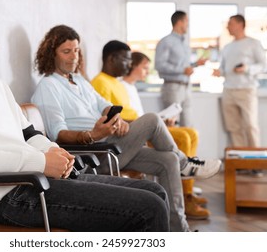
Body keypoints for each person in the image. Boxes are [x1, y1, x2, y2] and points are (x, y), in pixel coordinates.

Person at [0, 0, 171, 232]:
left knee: (155, 192)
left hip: (36, 180)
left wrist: (54, 152)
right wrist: (41, 161)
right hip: (11, 196)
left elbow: (29, 134)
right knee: (149, 208)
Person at [31, 25, 222, 231]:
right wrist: (93, 135)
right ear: (51, 54)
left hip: (112, 145)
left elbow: (105, 105)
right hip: (93, 156)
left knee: (168, 160)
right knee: (151, 120)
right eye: (66, 52)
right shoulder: (48, 87)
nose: (73, 57)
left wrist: (116, 118)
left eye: (76, 50)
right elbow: (57, 134)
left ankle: (179, 230)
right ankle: (187, 165)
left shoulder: (78, 81)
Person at [120, 51, 210, 220]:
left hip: (140, 126)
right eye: (145, 68)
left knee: (191, 132)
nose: (147, 71)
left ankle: (187, 191)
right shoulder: (121, 86)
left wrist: (162, 120)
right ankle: (186, 178)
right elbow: (126, 119)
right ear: (133, 66)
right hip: (132, 132)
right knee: (183, 137)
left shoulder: (131, 87)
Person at [213, 14, 267, 177]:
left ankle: (257, 164)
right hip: (228, 90)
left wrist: (247, 68)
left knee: (250, 126)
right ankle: (242, 164)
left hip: (247, 90)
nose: (228, 27)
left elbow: (263, 66)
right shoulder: (227, 47)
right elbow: (224, 68)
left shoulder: (253, 43)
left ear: (240, 24)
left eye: (230, 24)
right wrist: (219, 72)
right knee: (234, 128)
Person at [155, 11, 206, 127]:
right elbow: (159, 65)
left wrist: (195, 64)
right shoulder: (166, 42)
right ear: (179, 22)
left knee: (188, 125)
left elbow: (184, 67)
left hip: (186, 87)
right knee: (172, 125)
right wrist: (182, 70)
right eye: (186, 21)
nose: (188, 24)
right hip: (172, 88)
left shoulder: (184, 43)